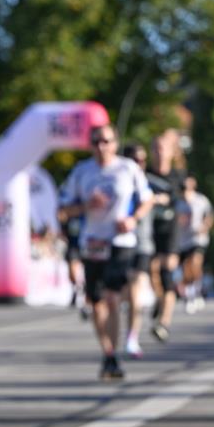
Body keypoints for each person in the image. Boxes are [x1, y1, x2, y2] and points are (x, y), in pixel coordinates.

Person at [59, 124, 153, 379]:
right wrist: (86, 205)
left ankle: (115, 354)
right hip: (93, 242)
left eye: (106, 141)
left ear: (115, 143)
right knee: (97, 302)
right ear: (91, 145)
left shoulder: (128, 168)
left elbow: (147, 199)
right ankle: (108, 353)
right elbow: (64, 209)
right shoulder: (82, 172)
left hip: (121, 241)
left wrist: (133, 219)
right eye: (96, 142)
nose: (101, 147)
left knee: (113, 298)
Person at [146, 132, 185, 342]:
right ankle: (160, 301)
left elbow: (182, 199)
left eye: (164, 149)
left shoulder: (178, 176)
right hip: (150, 229)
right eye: (156, 149)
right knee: (152, 271)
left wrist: (166, 198)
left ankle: (164, 323)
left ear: (171, 152)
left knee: (167, 273)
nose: (160, 153)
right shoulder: (145, 174)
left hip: (170, 230)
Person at [121, 143, 154, 358]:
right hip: (118, 243)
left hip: (142, 244)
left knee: (134, 291)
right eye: (134, 159)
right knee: (118, 295)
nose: (139, 164)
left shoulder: (147, 184)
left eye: (142, 160)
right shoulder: (117, 182)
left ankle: (132, 337)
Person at [176, 176, 214, 313]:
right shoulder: (178, 203)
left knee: (195, 263)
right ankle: (190, 294)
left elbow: (209, 215)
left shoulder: (201, 200)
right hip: (183, 239)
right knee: (186, 268)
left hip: (198, 238)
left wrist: (204, 227)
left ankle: (197, 291)